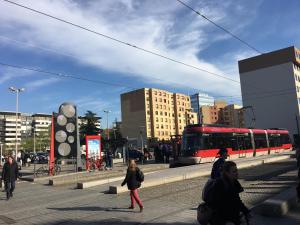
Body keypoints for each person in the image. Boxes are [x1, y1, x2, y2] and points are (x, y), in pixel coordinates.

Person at [209, 161, 250, 225]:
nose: (237, 173)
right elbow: (216, 204)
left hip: (233, 217)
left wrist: (246, 211)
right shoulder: (220, 184)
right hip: (223, 219)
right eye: (234, 171)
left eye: (236, 170)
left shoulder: (234, 182)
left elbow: (237, 200)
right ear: (227, 173)